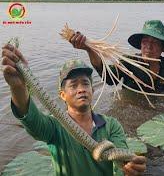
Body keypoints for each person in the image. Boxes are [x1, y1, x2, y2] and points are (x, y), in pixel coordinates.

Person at [1, 44, 146, 176]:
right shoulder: (54, 126)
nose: (81, 89)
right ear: (62, 95)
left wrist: (130, 169)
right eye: (73, 85)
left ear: (92, 89)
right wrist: (18, 87)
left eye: (85, 83)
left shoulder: (111, 125)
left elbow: (122, 163)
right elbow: (32, 120)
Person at [69, 20, 164, 111]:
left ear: (162, 48)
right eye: (145, 41)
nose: (149, 46)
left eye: (155, 42)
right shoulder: (129, 62)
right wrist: (89, 49)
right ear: (140, 44)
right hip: (131, 107)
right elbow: (108, 77)